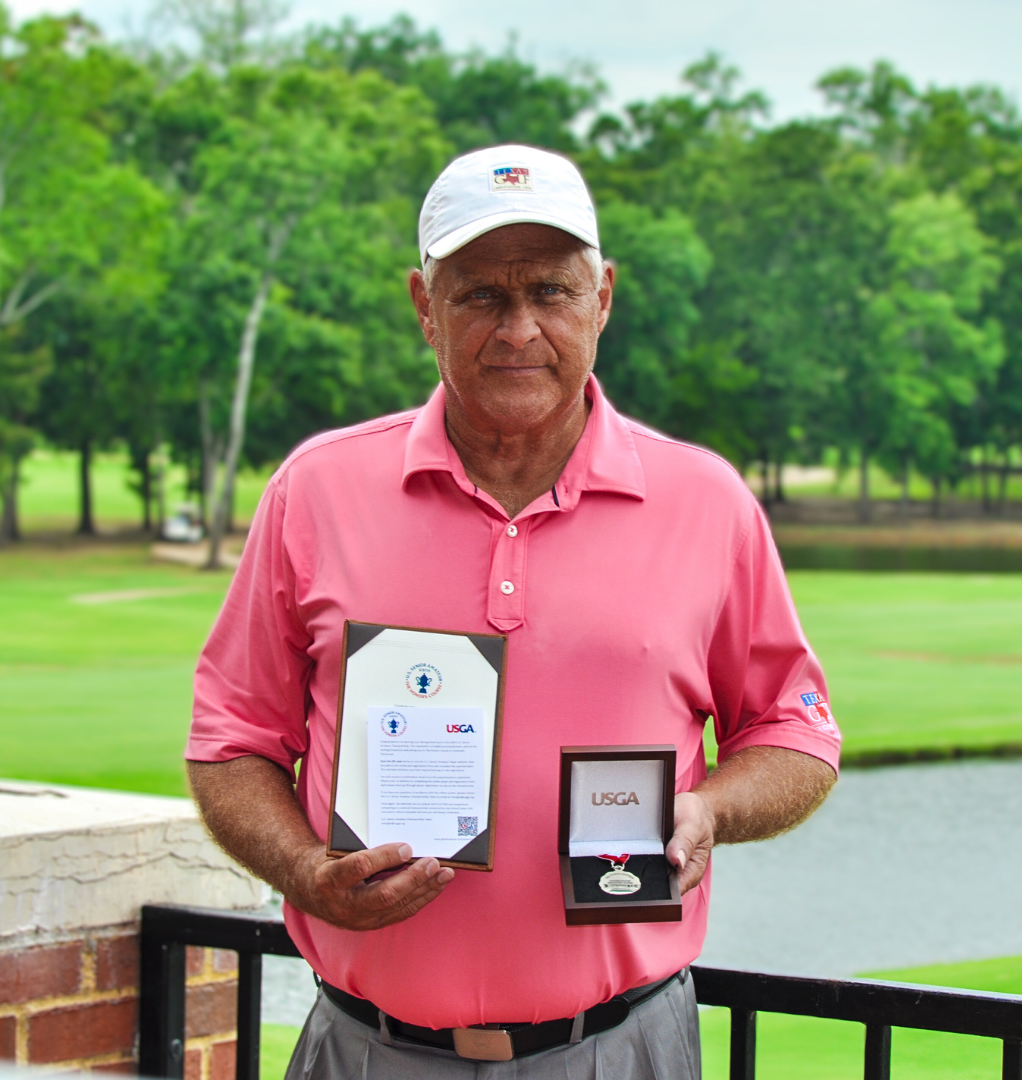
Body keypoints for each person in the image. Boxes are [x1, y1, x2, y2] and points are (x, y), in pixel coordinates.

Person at [186, 143, 840, 1079]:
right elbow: (231, 737)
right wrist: (304, 873)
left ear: (603, 297)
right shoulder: (317, 490)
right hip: (368, 1049)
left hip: (622, 1048)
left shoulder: (706, 499)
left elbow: (797, 732)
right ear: (423, 306)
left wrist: (709, 810)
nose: (519, 327)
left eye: (551, 291)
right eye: (480, 295)